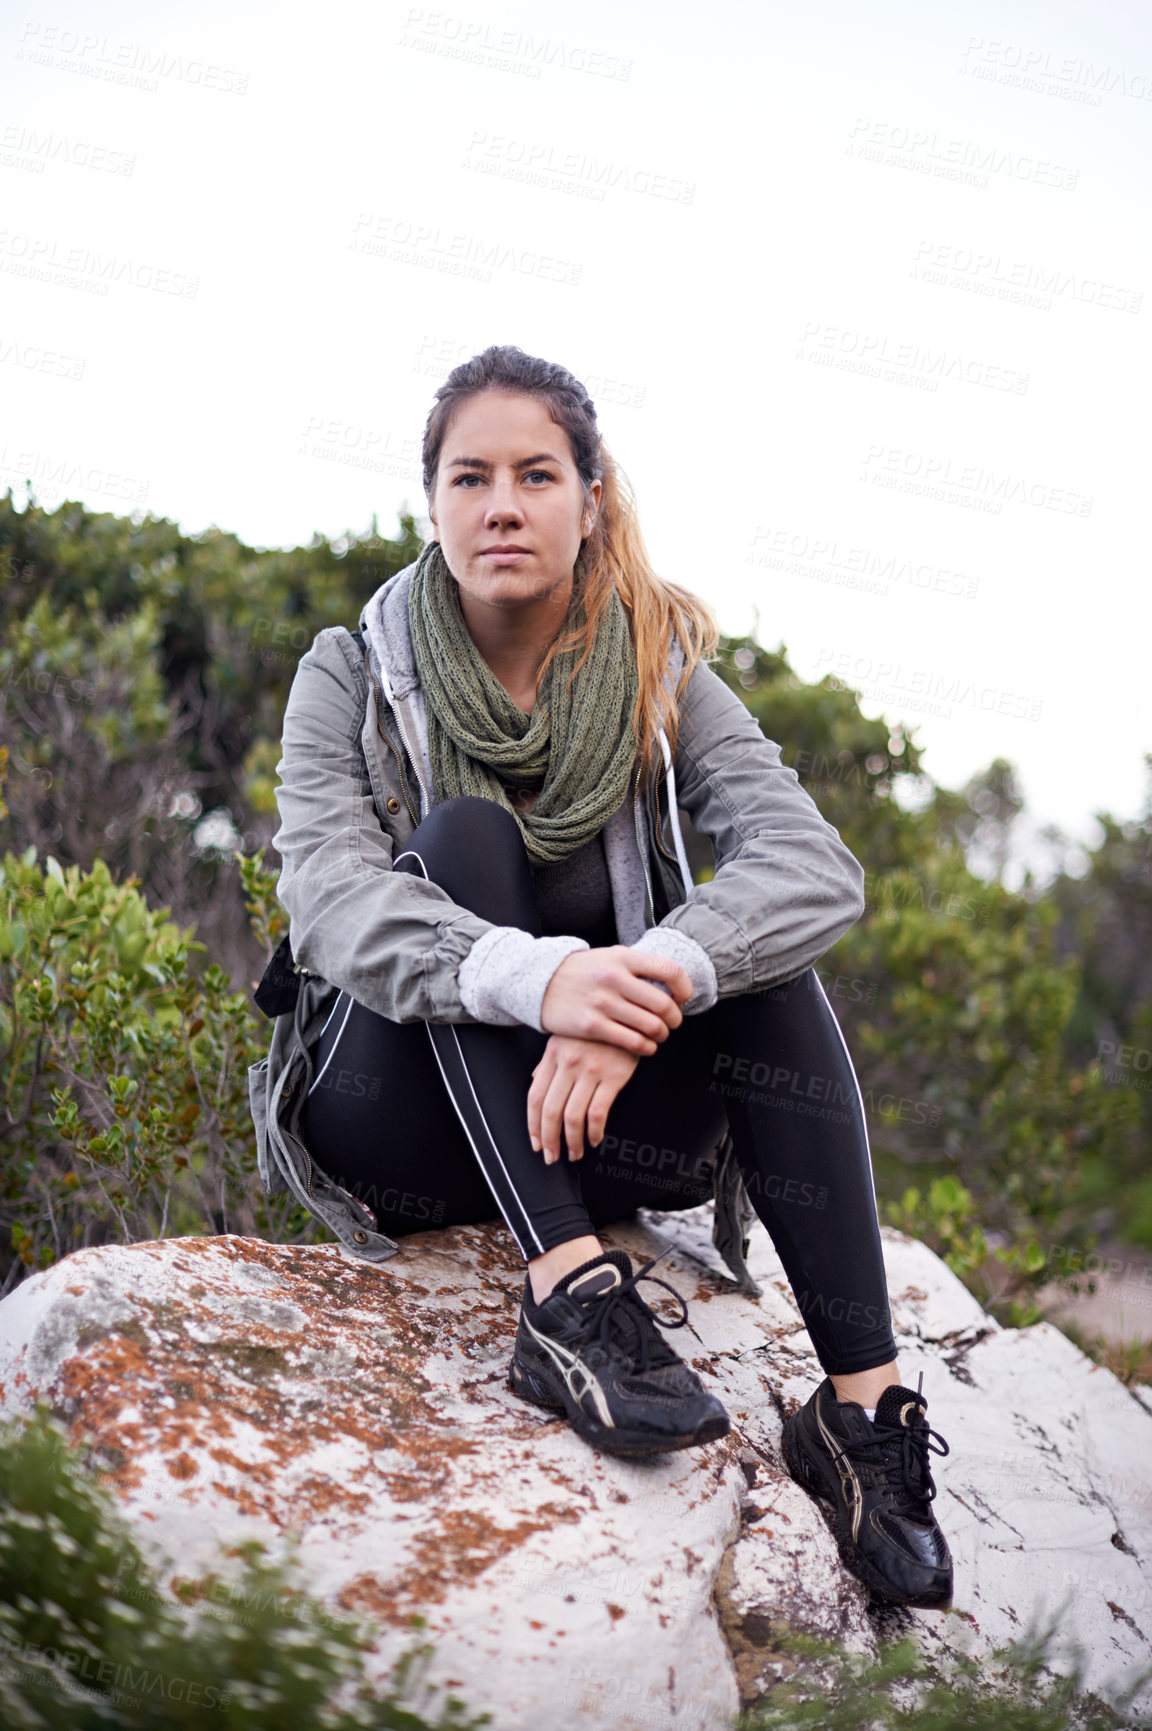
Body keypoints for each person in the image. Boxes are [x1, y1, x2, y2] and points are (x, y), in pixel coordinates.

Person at [261, 345, 952, 1609]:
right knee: (461, 842)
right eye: (470, 477)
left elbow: (812, 865)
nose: (503, 505)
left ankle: (859, 1414)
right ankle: (569, 1302)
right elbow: (329, 899)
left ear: (593, 497)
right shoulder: (350, 669)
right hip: (404, 1131)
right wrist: (537, 982)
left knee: (757, 960)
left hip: (604, 1131)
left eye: (536, 474)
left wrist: (648, 977)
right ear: (434, 504)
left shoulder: (660, 668)